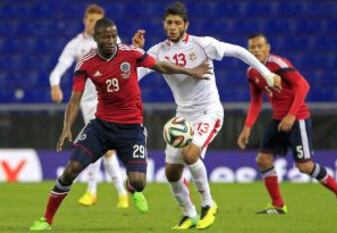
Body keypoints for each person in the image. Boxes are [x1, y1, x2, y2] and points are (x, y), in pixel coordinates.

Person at [29, 17, 210, 231]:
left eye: (114, 36)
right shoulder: (86, 63)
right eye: (106, 37)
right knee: (71, 170)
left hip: (131, 129)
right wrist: (67, 127)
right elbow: (75, 98)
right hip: (101, 126)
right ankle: (46, 220)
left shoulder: (130, 53)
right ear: (96, 39)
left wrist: (190, 71)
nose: (111, 40)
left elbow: (160, 65)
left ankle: (131, 189)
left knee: (139, 182)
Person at [134, 2, 281, 230]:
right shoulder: (157, 52)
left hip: (208, 111)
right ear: (164, 24)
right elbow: (134, 76)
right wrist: (137, 55)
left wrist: (268, 73)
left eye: (177, 23)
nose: (172, 27)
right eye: (169, 22)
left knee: (191, 153)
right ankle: (189, 214)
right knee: (171, 171)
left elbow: (240, 52)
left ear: (186, 25)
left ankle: (208, 204)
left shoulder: (203, 45)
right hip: (182, 118)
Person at [237, 33, 337, 215]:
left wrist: (291, 115)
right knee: (263, 159)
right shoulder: (252, 71)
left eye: (260, 46)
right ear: (248, 50)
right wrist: (247, 127)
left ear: (268, 47)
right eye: (252, 47)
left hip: (297, 118)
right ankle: (278, 205)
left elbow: (303, 85)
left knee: (304, 166)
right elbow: (256, 101)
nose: (256, 50)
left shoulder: (278, 64)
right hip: (278, 120)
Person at [49, 4, 128, 208]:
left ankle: (101, 192)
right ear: (85, 20)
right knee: (103, 147)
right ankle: (117, 194)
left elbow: (125, 62)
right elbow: (58, 69)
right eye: (91, 20)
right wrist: (55, 84)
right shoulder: (75, 45)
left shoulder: (112, 41)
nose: (93, 24)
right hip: (87, 101)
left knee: (103, 146)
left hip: (109, 98)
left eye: (98, 21)